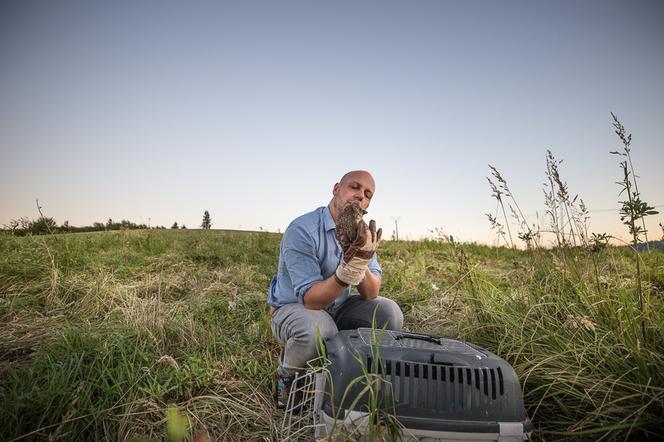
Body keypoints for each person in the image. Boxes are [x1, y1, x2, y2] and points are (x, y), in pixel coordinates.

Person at [267, 170, 404, 408]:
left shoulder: (362, 233)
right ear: (336, 189)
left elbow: (371, 292)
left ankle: (349, 371)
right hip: (294, 307)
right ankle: (287, 378)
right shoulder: (303, 229)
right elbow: (311, 300)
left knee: (389, 313)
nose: (360, 196)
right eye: (354, 187)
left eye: (367, 194)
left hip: (336, 307)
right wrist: (346, 272)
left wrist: (361, 259)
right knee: (319, 329)